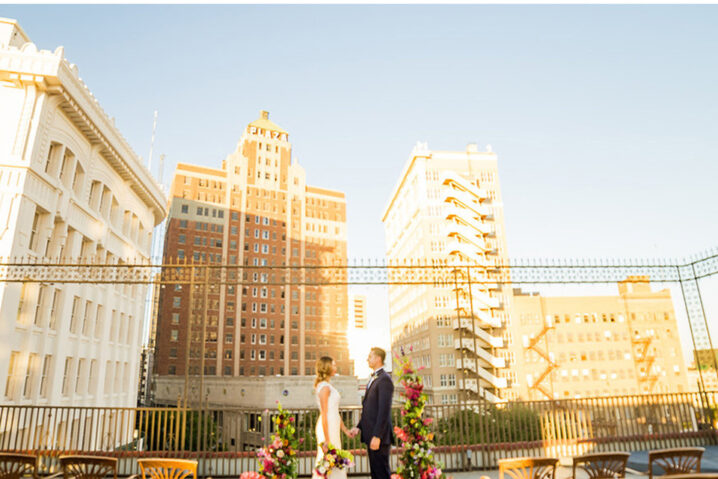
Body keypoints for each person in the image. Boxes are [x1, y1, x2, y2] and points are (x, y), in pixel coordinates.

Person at [350, 347, 394, 479]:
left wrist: (377, 436)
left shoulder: (385, 379)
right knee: (375, 473)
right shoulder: (374, 378)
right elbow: (369, 409)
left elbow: (384, 411)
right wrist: (359, 427)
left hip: (378, 437)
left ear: (378, 359)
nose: (367, 359)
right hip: (371, 435)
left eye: (370, 357)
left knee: (381, 473)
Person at [313, 356, 353, 479]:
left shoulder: (328, 385)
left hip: (333, 425)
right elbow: (325, 413)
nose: (335, 367)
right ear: (327, 367)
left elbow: (334, 412)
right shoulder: (324, 387)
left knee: (334, 460)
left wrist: (345, 430)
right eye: (333, 365)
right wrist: (327, 439)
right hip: (327, 427)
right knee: (327, 459)